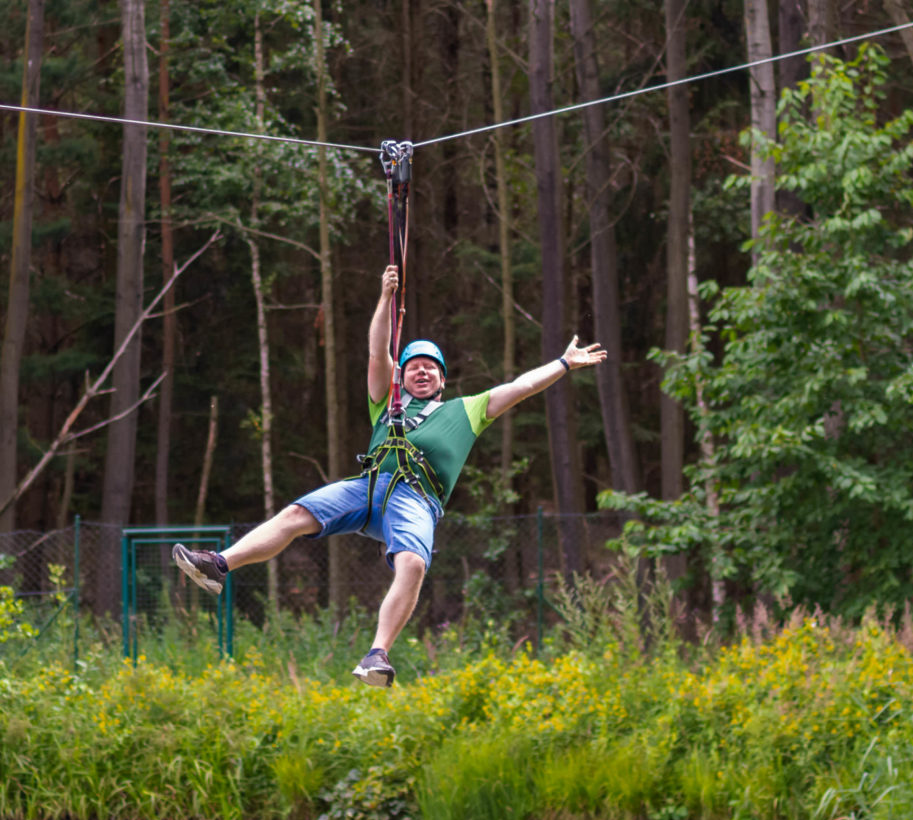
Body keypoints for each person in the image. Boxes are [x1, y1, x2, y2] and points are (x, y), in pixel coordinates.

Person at [173, 263, 607, 687]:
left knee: (414, 563)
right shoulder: (387, 402)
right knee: (294, 515)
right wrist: (384, 296)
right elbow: (377, 351)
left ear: (441, 379)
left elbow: (522, 386)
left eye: (429, 367)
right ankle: (218, 565)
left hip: (417, 499)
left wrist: (563, 364)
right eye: (413, 366)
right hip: (369, 486)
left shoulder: (466, 411)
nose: (421, 371)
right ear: (403, 376)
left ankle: (378, 653)